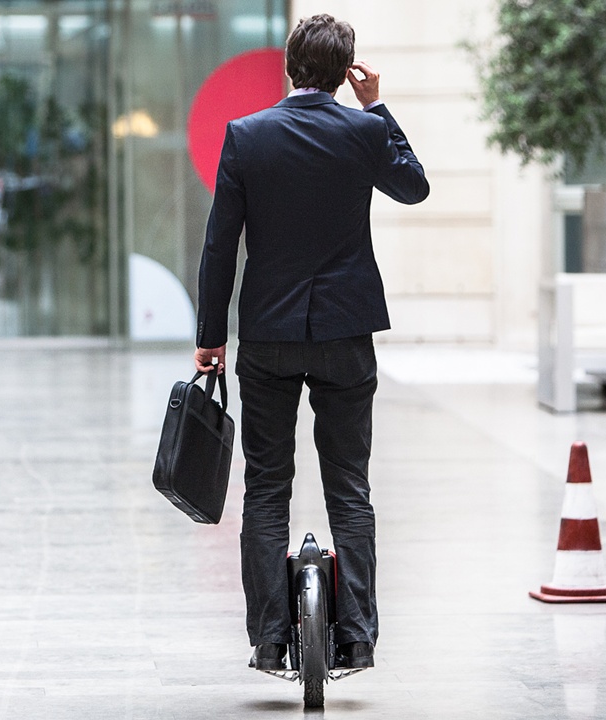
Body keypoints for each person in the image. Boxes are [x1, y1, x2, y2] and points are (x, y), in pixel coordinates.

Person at [193, 14, 429, 672]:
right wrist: (375, 106)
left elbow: (220, 246)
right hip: (346, 333)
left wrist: (210, 336)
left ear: (290, 64)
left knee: (267, 487)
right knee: (350, 487)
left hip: (268, 335)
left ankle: (270, 640)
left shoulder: (247, 136)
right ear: (345, 70)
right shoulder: (364, 131)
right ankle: (356, 638)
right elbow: (413, 187)